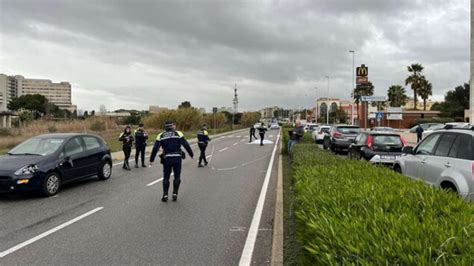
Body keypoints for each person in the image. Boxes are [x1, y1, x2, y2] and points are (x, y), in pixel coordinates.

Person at [150, 120, 194, 202]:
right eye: (174, 125)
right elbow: (186, 144)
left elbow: (155, 148)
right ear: (172, 126)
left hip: (167, 158)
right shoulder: (178, 133)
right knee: (177, 176)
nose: (175, 126)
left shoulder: (161, 135)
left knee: (166, 177)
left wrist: (151, 159)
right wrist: (191, 154)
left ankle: (165, 195)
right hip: (177, 158)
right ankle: (175, 193)